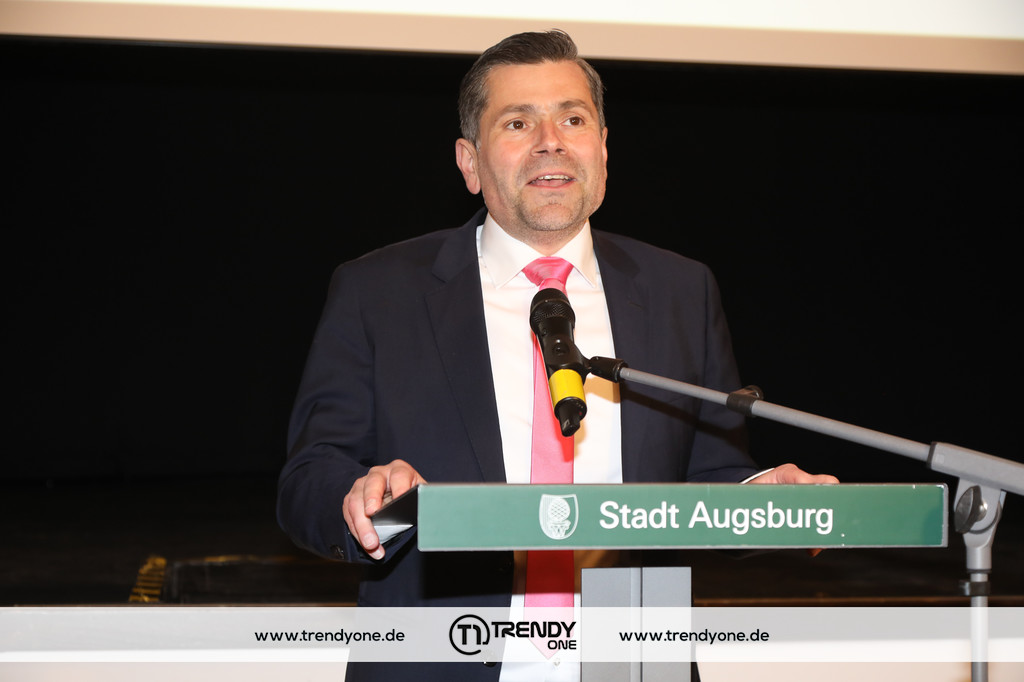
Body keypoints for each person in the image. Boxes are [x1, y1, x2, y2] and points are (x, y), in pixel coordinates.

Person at [277, 29, 837, 681]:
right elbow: (309, 477)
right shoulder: (379, 291)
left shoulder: (679, 289)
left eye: (573, 119)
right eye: (518, 122)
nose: (552, 141)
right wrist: (366, 497)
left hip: (631, 661)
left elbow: (707, 477)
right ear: (469, 162)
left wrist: (758, 500)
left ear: (603, 149)